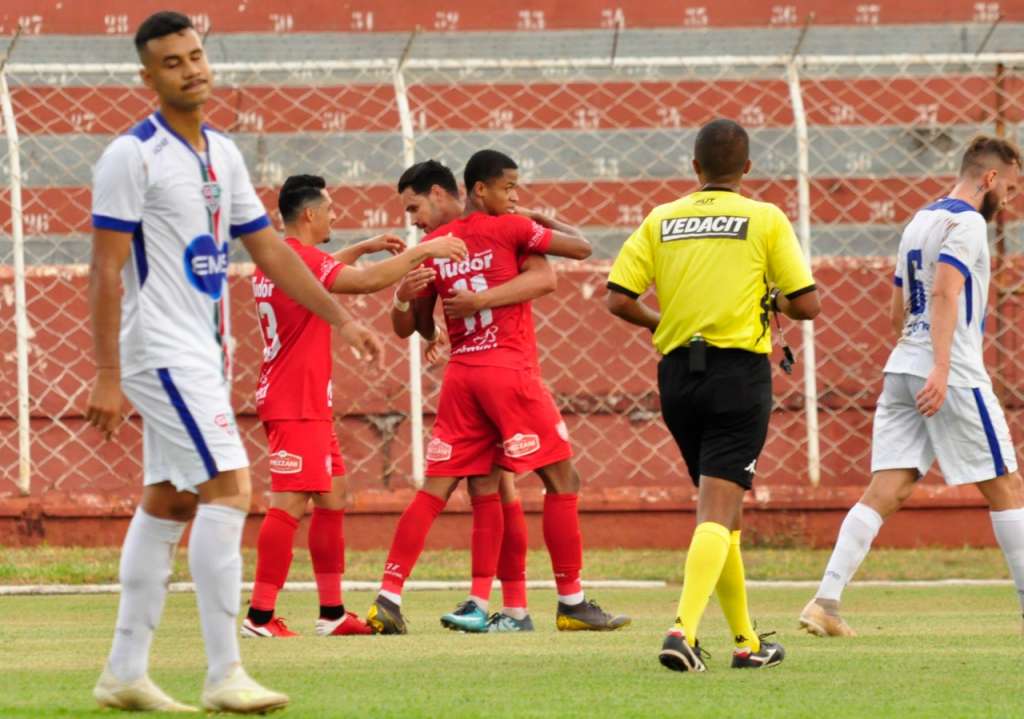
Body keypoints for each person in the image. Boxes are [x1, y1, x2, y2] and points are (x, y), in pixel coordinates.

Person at [85, 12, 376, 713]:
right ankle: (225, 672)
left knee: (173, 497)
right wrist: (104, 373)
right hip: (159, 349)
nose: (191, 68)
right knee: (231, 487)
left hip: (205, 354)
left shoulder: (222, 152)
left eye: (195, 54)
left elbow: (270, 249)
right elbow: (105, 268)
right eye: (172, 61)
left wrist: (341, 315)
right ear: (148, 77)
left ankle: (125, 669)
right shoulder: (132, 155)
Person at [367, 150, 631, 635]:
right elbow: (573, 255)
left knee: (464, 486)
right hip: (508, 373)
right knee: (561, 480)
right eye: (510, 188)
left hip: (463, 378)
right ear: (481, 189)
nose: (515, 196)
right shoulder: (507, 228)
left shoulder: (436, 246)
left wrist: (417, 303)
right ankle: (568, 600)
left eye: (412, 209)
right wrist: (533, 219)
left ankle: (399, 596)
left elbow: (420, 327)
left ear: (445, 194)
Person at [606, 118, 819, 672]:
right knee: (716, 511)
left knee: (721, 514)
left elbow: (618, 298)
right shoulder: (764, 218)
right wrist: (773, 299)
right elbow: (808, 304)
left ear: (694, 167)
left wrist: (665, 325)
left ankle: (748, 643)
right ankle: (682, 631)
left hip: (678, 376)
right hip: (737, 377)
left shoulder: (661, 218)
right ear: (747, 168)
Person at [799, 136, 1024, 638]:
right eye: (1008, 188)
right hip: (952, 371)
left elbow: (897, 306)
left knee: (889, 487)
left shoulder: (919, 220)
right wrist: (942, 366)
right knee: (1007, 486)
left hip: (902, 365)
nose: (1009, 200)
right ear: (988, 178)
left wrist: (918, 352)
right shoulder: (966, 224)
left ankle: (825, 601)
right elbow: (946, 289)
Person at [240, 175, 467, 638]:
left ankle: (331, 614)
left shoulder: (280, 260)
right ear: (309, 215)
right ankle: (259, 617)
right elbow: (362, 284)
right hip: (294, 400)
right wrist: (424, 250)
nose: (334, 214)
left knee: (333, 495)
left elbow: (322, 271)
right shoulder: (295, 260)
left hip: (303, 400)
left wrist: (360, 247)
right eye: (329, 207)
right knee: (289, 501)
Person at [391, 159, 557, 632]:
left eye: (416, 207)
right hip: (476, 373)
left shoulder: (503, 228)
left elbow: (546, 275)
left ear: (443, 194)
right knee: (498, 486)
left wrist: (480, 303)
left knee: (498, 485)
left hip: (504, 371)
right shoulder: (430, 248)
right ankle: (507, 608)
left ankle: (510, 605)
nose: (415, 219)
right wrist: (411, 304)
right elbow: (414, 324)